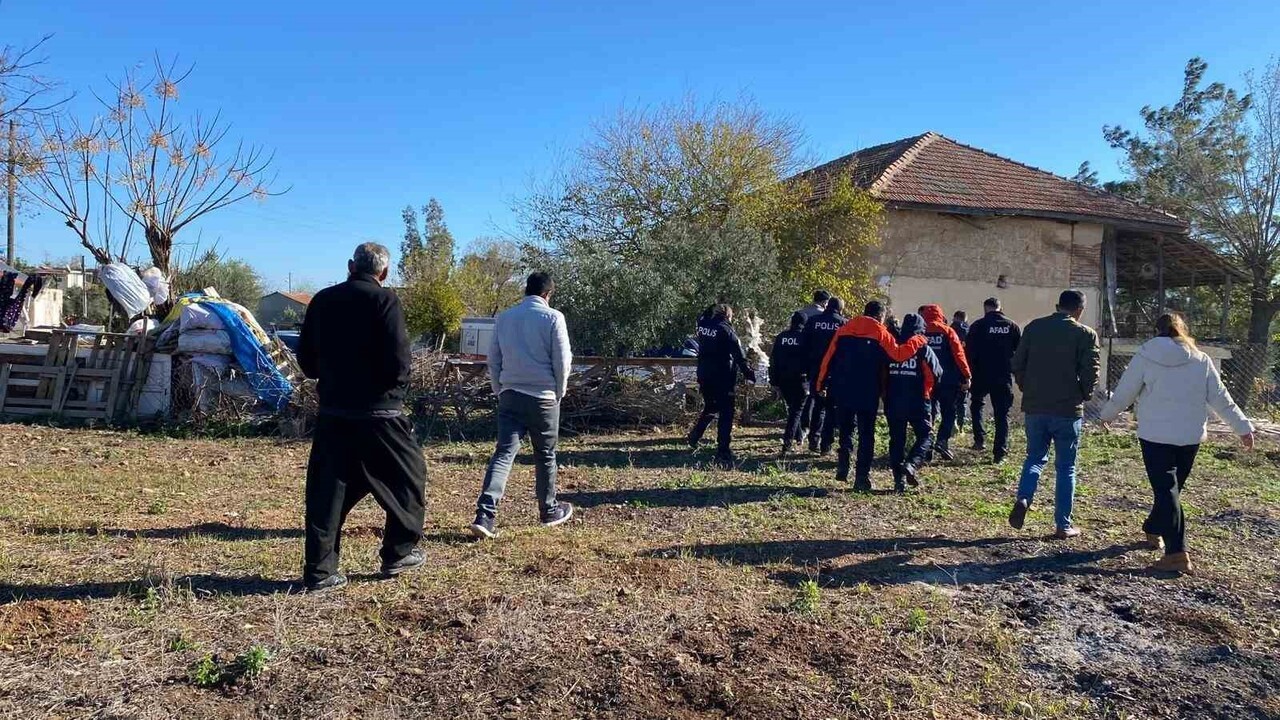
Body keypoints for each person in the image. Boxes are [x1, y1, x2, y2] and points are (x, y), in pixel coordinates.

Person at [298, 242, 428, 592]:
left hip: (334, 411)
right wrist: (391, 393)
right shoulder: (386, 301)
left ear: (350, 265)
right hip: (380, 413)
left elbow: (307, 363)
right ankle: (398, 553)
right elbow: (400, 362)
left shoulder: (321, 300)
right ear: (383, 273)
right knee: (409, 479)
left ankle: (320, 572)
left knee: (328, 491)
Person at [1099, 314, 1254, 574]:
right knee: (1170, 491)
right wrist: (1242, 427)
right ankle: (1153, 527)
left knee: (1166, 491)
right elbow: (1221, 398)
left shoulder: (1145, 356)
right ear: (1182, 330)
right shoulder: (1201, 360)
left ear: (1156, 331)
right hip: (1189, 436)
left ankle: (1176, 553)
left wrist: (1107, 415)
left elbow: (1125, 391)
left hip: (1155, 436)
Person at [469, 272, 575, 540]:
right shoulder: (553, 317)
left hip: (510, 394)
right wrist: (559, 391)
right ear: (548, 294)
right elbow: (562, 360)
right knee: (545, 455)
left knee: (503, 454)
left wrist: (499, 388)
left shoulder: (504, 318)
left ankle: (485, 515)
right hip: (543, 397)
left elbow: (493, 359)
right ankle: (548, 510)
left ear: (526, 291)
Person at [1008, 289, 1100, 539]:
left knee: (1035, 457)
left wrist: (1027, 386)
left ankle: (1024, 498)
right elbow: (1091, 370)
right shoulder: (1085, 334)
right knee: (1066, 467)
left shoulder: (1034, 328)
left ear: (1057, 305)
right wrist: (1083, 394)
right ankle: (1063, 524)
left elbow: (1017, 363)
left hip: (1035, 406)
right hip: (1067, 410)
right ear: (1079, 310)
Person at [816, 300, 927, 489]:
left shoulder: (845, 328)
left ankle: (843, 462)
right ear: (880, 316)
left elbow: (828, 357)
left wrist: (820, 383)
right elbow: (898, 355)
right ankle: (861, 478)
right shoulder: (880, 332)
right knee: (866, 435)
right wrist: (918, 340)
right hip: (868, 390)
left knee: (846, 429)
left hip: (843, 388)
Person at [688, 303, 755, 468]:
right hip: (722, 377)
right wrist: (749, 375)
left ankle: (695, 436)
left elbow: (702, 315)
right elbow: (739, 356)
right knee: (726, 412)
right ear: (729, 316)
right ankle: (723, 450)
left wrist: (710, 307)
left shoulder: (703, 326)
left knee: (711, 405)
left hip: (704, 374)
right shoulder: (727, 331)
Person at [884, 314, 942, 492]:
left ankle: (898, 481)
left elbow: (882, 372)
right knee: (926, 436)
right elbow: (937, 372)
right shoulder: (922, 347)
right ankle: (911, 464)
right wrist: (928, 390)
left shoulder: (891, 346)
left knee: (897, 440)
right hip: (918, 400)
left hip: (893, 400)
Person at [966, 297, 1022, 463]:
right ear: (1000, 308)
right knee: (1002, 414)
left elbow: (968, 352)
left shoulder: (977, 326)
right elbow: (1018, 352)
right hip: (1002, 375)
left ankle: (979, 439)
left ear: (985, 309)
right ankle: (999, 453)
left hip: (980, 374)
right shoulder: (1012, 326)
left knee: (976, 404)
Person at [919, 304, 972, 461]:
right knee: (949, 412)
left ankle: (926, 444)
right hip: (948, 380)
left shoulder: (920, 331)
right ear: (940, 315)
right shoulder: (948, 331)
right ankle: (942, 440)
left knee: (929, 413)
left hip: (926, 380)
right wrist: (966, 376)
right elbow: (959, 355)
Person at [802, 297, 847, 453]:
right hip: (835, 371)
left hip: (815, 369)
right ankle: (826, 445)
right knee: (831, 408)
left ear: (827, 306)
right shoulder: (843, 323)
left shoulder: (813, 321)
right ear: (840, 309)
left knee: (818, 405)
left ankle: (813, 439)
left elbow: (804, 344)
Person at [770, 311, 810, 456]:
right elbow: (810, 360)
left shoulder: (781, 337)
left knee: (793, 409)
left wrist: (773, 381)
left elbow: (773, 360)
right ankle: (787, 444)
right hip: (800, 379)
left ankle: (799, 437)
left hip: (783, 380)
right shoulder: (806, 338)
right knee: (796, 411)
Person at [795, 289, 832, 433]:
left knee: (804, 393)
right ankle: (810, 426)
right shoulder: (821, 316)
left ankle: (801, 426)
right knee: (816, 395)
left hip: (802, 359)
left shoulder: (801, 312)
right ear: (824, 302)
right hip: (820, 360)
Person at [951, 310, 970, 432]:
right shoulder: (969, 332)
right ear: (965, 319)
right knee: (962, 400)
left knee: (949, 400)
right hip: (964, 369)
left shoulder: (948, 330)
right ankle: (961, 426)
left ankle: (951, 424)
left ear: (954, 318)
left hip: (950, 370)